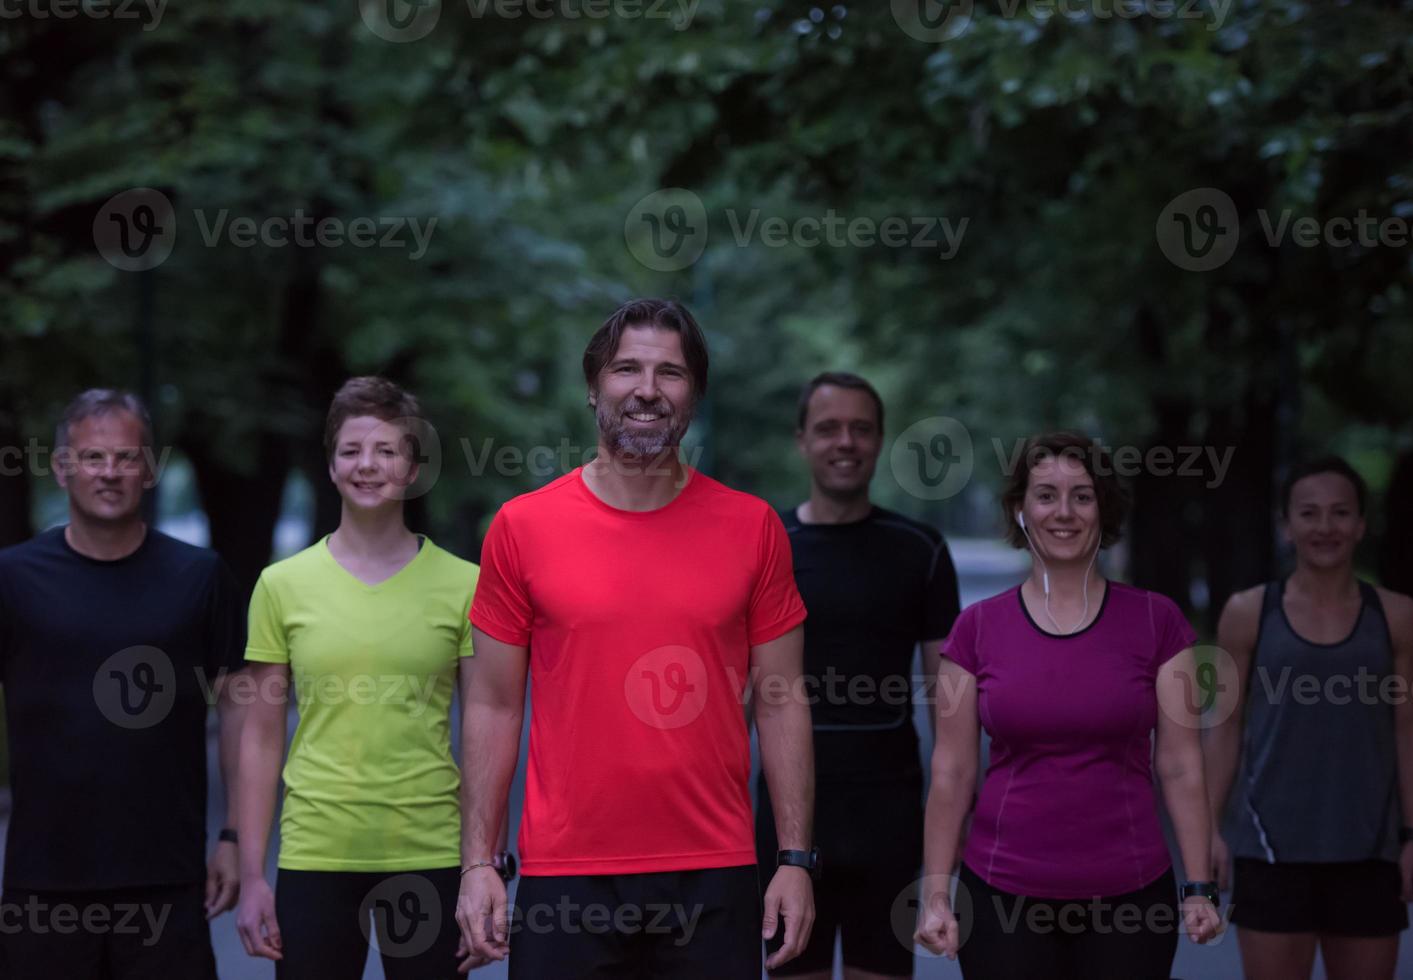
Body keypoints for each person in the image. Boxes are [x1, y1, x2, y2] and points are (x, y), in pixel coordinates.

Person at [454, 297, 817, 979]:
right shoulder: (521, 527)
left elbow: (781, 699)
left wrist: (794, 860)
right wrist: (479, 862)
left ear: (695, 394)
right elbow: (492, 705)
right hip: (566, 877)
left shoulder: (752, 527)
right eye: (626, 369)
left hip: (714, 873)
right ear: (594, 387)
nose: (646, 390)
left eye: (670, 373)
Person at [916, 431, 1222, 979]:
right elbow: (952, 769)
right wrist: (937, 892)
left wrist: (1198, 886)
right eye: (1046, 495)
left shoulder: (1159, 622)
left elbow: (1180, 763)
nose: (1064, 512)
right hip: (1002, 895)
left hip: (1130, 898)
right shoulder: (976, 629)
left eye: (1082, 495)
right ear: (1020, 509)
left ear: (1103, 508)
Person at [233, 377, 487, 979]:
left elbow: (486, 729)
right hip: (315, 852)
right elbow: (260, 736)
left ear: (411, 466)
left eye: (386, 450)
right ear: (330, 465)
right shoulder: (281, 584)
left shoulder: (466, 586)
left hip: (428, 850)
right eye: (351, 451)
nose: (366, 465)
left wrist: (484, 870)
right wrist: (250, 878)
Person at [0, 389, 245, 978]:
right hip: (42, 882)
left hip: (167, 878)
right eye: (91, 458)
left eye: (127, 457)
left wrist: (234, 837)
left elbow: (241, 709)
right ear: (62, 469)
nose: (109, 472)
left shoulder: (200, 577)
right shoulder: (11, 579)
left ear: (151, 469)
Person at [753, 371, 959, 980]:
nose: (845, 442)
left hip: (888, 814)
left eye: (861, 429)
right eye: (828, 429)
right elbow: (739, 696)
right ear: (801, 440)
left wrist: (956, 817)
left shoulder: (919, 549)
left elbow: (950, 709)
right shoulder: (768, 544)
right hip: (787, 814)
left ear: (880, 440)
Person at [1204, 456, 1413, 980]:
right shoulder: (1247, 611)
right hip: (1269, 850)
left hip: (1369, 850)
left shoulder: (1397, 615)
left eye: (1340, 513)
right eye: (1309, 513)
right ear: (1287, 526)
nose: (1325, 527)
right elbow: (1225, 726)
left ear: (1361, 525)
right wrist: (1208, 830)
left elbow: (1409, 729)